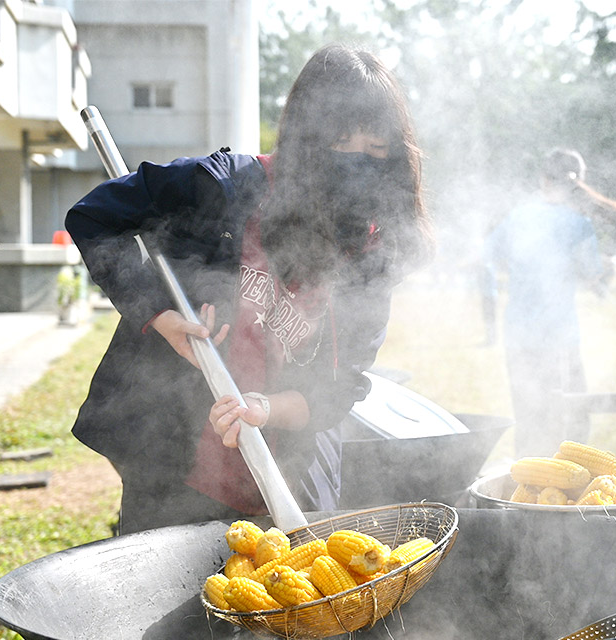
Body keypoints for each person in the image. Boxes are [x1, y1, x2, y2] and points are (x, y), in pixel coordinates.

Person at [65, 44, 432, 535]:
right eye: (342, 141)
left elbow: (338, 390)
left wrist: (264, 409)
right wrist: (162, 316)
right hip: (175, 458)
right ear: (308, 135)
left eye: (376, 148)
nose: (358, 162)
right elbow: (95, 217)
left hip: (290, 471)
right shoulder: (227, 186)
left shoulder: (371, 251)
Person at [485, 148, 603, 456]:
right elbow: (593, 274)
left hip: (519, 335)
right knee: (572, 421)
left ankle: (526, 490)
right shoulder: (579, 223)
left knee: (528, 418)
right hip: (560, 337)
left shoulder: (517, 215)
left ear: (543, 178)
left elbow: (492, 255)